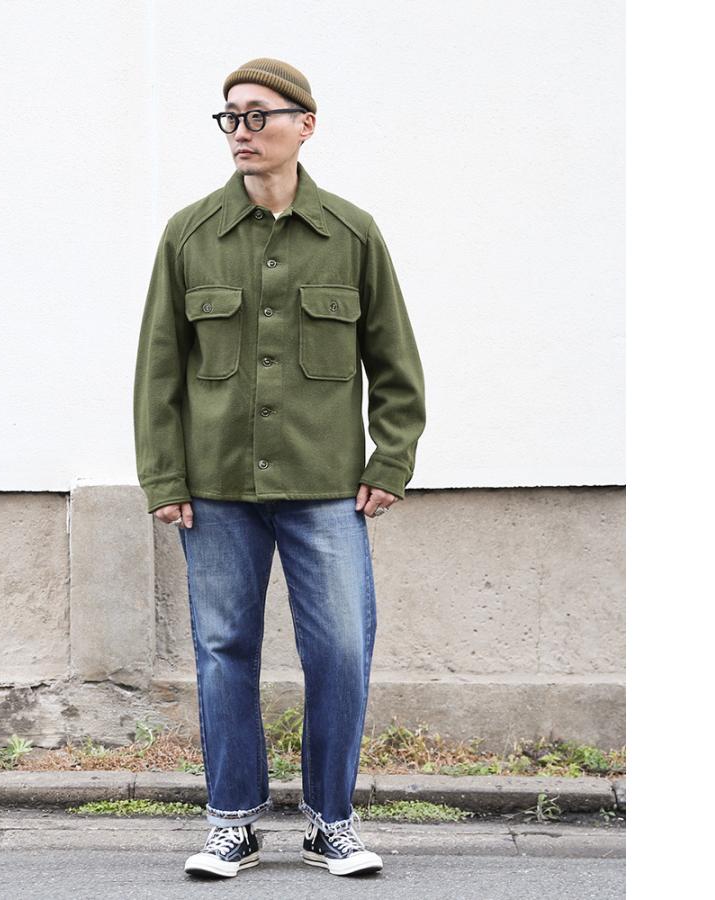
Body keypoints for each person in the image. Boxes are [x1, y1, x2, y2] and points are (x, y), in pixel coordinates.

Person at [133, 56, 426, 878]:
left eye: (259, 115)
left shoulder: (352, 234)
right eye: (231, 116)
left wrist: (390, 460)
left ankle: (332, 822)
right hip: (216, 487)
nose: (242, 130)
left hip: (326, 487)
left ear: (306, 124)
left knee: (340, 651)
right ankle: (232, 821)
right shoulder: (190, 234)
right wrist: (164, 477)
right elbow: (159, 369)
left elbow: (395, 363)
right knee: (224, 649)